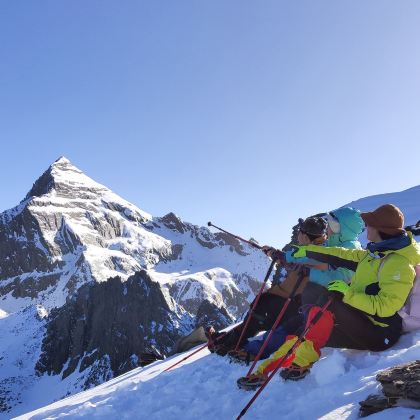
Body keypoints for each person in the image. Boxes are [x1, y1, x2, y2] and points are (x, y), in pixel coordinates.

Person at [238, 204, 420, 389]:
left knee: (330, 300)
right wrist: (307, 251)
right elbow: (339, 254)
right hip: (364, 321)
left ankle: (302, 361)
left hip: (381, 333)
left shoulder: (399, 264)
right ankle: (263, 372)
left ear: (381, 230)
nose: (367, 228)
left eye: (371, 224)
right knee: (307, 328)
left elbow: (386, 307)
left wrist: (348, 294)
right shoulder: (374, 254)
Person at [231, 207, 364, 363]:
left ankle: (258, 353)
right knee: (289, 326)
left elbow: (332, 273)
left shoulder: (350, 249)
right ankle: (254, 350)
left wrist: (307, 270)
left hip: (331, 304)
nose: (328, 228)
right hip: (318, 299)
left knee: (292, 329)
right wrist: (281, 255)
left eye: (333, 225)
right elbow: (308, 253)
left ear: (342, 228)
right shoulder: (334, 244)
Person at [207, 216, 328, 356]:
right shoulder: (320, 250)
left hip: (290, 302)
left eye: (301, 231)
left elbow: (298, 261)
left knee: (259, 309)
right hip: (293, 300)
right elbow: (294, 259)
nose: (298, 233)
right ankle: (226, 340)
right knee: (259, 310)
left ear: (306, 238)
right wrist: (276, 254)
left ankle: (225, 343)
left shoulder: (312, 255)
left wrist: (279, 256)